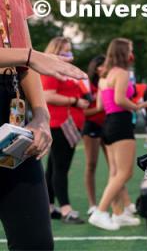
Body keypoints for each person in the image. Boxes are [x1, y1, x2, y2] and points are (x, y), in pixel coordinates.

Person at [0, 0, 87, 250]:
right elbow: (30, 55)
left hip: (10, 106)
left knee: (36, 242)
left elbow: (25, 50)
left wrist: (41, 116)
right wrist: (32, 57)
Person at [89, 38, 147, 231]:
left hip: (108, 124)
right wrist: (137, 106)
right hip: (121, 124)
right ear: (124, 52)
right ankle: (100, 212)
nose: (132, 53)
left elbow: (100, 105)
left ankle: (118, 214)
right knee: (125, 173)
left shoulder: (104, 75)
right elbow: (120, 99)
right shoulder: (122, 73)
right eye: (130, 49)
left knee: (115, 173)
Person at [42, 37, 90, 224]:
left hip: (65, 123)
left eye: (70, 51)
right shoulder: (51, 70)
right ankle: (66, 210)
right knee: (61, 168)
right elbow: (48, 95)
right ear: (55, 52)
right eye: (65, 52)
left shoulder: (60, 70)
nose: (69, 56)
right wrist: (75, 101)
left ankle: (49, 206)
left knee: (53, 167)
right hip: (61, 124)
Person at [82, 55, 107, 216]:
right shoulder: (88, 86)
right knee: (91, 164)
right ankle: (92, 205)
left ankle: (121, 205)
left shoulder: (110, 82)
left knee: (116, 167)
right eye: (104, 65)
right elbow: (83, 111)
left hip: (109, 126)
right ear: (97, 68)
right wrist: (98, 108)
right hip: (91, 126)